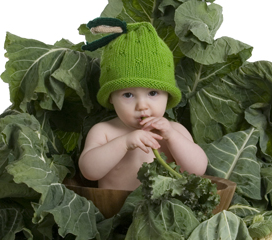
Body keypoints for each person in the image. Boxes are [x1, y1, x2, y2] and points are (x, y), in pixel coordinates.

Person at [78, 19, 208, 191]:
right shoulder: (104, 132)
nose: (142, 106)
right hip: (113, 213)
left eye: (153, 93)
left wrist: (171, 136)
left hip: (165, 212)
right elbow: (89, 172)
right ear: (110, 97)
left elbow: (197, 170)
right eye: (128, 95)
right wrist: (123, 143)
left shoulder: (175, 130)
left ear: (168, 95)